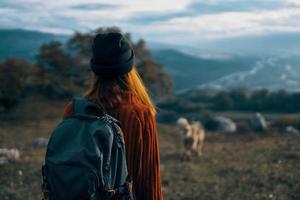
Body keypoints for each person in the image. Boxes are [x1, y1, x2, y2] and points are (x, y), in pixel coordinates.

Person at [62, 32, 163, 200]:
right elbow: (149, 182)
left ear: (95, 69)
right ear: (129, 69)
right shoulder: (140, 114)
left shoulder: (74, 110)